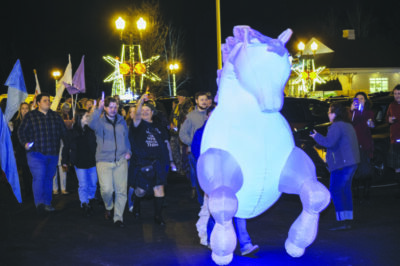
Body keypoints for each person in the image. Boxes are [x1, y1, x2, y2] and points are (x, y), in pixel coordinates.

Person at [310, 102, 360, 230]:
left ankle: (342, 221)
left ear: (336, 113)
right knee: (345, 190)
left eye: (330, 111)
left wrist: (316, 136)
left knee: (336, 190)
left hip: (342, 164)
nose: (328, 114)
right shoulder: (347, 125)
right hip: (351, 162)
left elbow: (329, 143)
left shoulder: (336, 126)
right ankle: (348, 219)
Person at [129, 93, 175, 225]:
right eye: (142, 110)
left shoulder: (159, 126)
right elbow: (137, 115)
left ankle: (158, 216)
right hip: (142, 163)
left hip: (159, 163)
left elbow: (166, 144)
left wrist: (170, 161)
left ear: (152, 112)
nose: (144, 112)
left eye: (147, 110)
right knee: (141, 191)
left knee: (159, 188)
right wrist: (140, 101)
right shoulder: (137, 125)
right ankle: (136, 203)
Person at [18, 93, 67, 212]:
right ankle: (39, 203)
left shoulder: (55, 116)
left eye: (49, 100)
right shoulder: (30, 116)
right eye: (45, 100)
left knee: (48, 178)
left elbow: (63, 132)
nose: (48, 102)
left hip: (53, 153)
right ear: (38, 103)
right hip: (36, 153)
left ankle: (47, 202)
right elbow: (21, 131)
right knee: (39, 177)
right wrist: (25, 143)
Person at [88, 96, 131, 228]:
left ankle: (118, 217)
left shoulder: (122, 121)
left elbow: (126, 138)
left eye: (115, 107)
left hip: (121, 160)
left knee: (121, 191)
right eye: (110, 107)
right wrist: (98, 108)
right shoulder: (99, 122)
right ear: (106, 108)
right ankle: (109, 206)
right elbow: (90, 122)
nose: (113, 109)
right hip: (103, 161)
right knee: (106, 190)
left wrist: (128, 151)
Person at [62, 108, 97, 216]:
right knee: (83, 184)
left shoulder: (91, 131)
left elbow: (96, 146)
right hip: (79, 162)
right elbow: (66, 147)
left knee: (93, 182)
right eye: (86, 116)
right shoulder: (72, 133)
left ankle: (90, 198)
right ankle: (84, 202)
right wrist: (65, 161)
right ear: (80, 118)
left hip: (92, 162)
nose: (88, 118)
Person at [179, 91, 208, 203]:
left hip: (208, 152)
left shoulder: (211, 114)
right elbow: (182, 133)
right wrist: (193, 143)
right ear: (196, 101)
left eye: (205, 99)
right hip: (195, 152)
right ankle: (201, 202)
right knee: (197, 176)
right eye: (201, 100)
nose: (204, 102)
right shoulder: (191, 116)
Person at [350, 92, 375, 199]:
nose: (359, 100)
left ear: (365, 100)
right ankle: (355, 193)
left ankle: (366, 192)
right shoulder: (352, 112)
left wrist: (371, 123)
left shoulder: (369, 112)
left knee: (366, 169)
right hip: (354, 144)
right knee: (354, 169)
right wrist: (352, 110)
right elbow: (349, 123)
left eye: (362, 98)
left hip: (365, 144)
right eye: (357, 99)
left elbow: (372, 126)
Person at [10, 102, 32, 200]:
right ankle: (28, 191)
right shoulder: (16, 121)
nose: (24, 110)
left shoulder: (32, 121)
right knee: (25, 171)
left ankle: (33, 190)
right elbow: (14, 137)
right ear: (20, 110)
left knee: (32, 171)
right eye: (23, 108)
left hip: (31, 150)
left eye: (26, 108)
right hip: (21, 151)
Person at [169, 89, 194, 176]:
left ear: (183, 97)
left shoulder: (188, 106)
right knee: (174, 151)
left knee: (182, 151)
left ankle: (185, 170)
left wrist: (179, 106)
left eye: (179, 96)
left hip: (182, 133)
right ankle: (179, 169)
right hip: (174, 132)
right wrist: (171, 124)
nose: (178, 98)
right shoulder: (176, 105)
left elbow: (185, 117)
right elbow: (173, 116)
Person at [53, 102, 73, 195]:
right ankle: (55, 188)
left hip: (64, 142)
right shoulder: (58, 117)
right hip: (56, 143)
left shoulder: (70, 116)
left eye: (68, 108)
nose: (67, 110)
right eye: (65, 108)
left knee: (63, 165)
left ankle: (63, 188)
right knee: (54, 166)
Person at [386, 85, 400, 187]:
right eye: (395, 94)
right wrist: (389, 120)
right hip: (394, 138)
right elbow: (387, 118)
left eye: (399, 93)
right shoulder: (391, 105)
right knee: (396, 165)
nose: (397, 96)